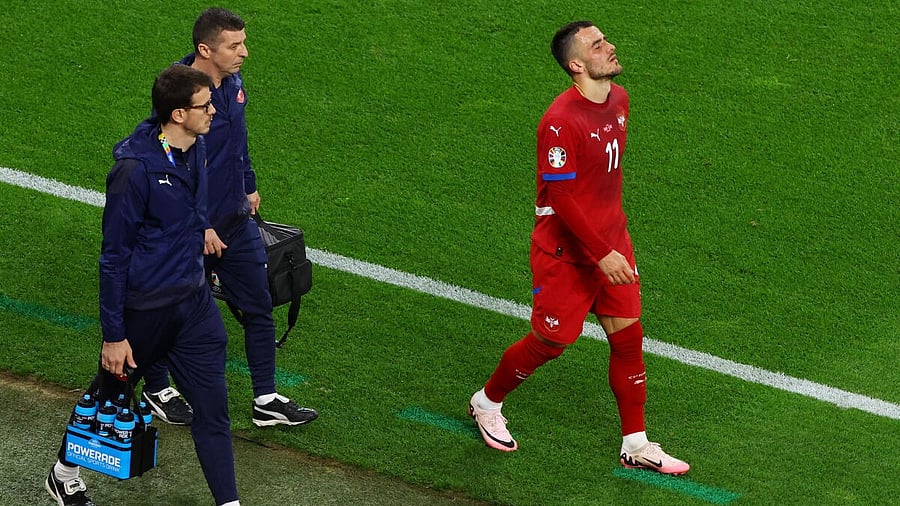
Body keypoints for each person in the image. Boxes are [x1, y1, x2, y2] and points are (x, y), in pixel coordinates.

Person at [468, 21, 690, 475]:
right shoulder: (560, 121)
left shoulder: (620, 100)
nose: (610, 47)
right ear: (575, 65)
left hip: (613, 245)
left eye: (606, 39)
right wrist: (600, 254)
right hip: (567, 255)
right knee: (551, 342)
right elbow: (563, 198)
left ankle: (636, 443)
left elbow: (602, 185)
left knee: (628, 340)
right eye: (597, 45)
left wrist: (614, 245)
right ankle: (486, 402)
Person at [44, 65, 242, 505]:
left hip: (194, 306)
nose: (213, 111)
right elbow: (113, 257)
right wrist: (114, 335)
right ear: (177, 114)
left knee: (213, 412)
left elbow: (189, 211)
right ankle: (63, 473)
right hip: (145, 312)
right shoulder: (134, 172)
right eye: (204, 106)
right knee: (108, 398)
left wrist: (202, 232)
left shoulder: (195, 146)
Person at [141, 7, 318, 428]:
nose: (245, 52)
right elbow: (165, 166)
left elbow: (237, 142)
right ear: (205, 49)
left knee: (259, 305)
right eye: (234, 45)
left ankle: (266, 398)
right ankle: (156, 386)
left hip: (235, 221)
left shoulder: (233, 81)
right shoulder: (179, 95)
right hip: (189, 231)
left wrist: (248, 183)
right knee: (168, 310)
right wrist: (197, 224)